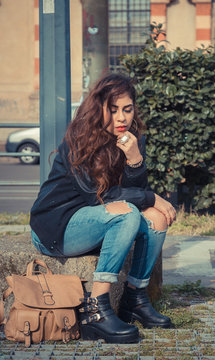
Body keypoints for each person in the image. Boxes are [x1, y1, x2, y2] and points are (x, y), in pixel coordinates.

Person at [30, 73, 176, 344]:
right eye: (113, 110)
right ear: (100, 109)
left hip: (96, 221)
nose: (121, 118)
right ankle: (96, 310)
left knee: (156, 218)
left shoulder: (132, 139)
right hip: (56, 226)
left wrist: (134, 160)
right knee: (128, 213)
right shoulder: (79, 138)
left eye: (127, 110)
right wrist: (151, 196)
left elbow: (133, 193)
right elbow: (96, 194)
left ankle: (135, 299)